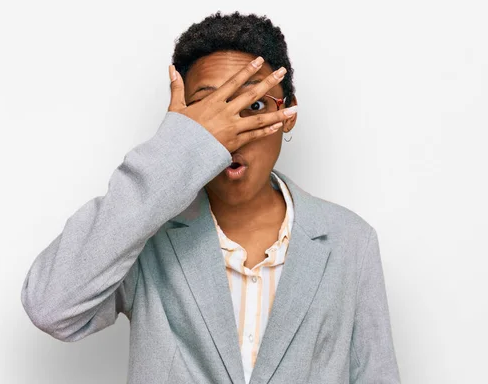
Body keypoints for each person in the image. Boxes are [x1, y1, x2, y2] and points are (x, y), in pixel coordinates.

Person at [20, 11, 401, 384]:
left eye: (254, 106)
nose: (231, 134)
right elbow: (51, 307)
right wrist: (178, 148)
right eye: (210, 111)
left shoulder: (351, 241)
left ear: (288, 115)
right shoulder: (146, 233)